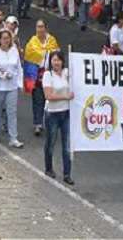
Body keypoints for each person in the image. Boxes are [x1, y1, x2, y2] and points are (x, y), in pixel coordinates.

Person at [42, 51, 74, 185]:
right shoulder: (47, 75)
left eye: (58, 60)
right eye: (54, 60)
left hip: (66, 113)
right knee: (51, 143)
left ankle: (67, 174)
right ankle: (48, 168)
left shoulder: (67, 73)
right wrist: (66, 97)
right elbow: (48, 96)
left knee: (67, 145)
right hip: (52, 113)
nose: (56, 63)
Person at [0, 29, 24, 147]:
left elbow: (19, 68)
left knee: (12, 112)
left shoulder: (14, 50)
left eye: (8, 38)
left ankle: (13, 138)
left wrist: (20, 84)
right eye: (3, 38)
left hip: (12, 86)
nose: (6, 40)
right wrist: (2, 75)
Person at [25, 20, 60, 136]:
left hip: (50, 74)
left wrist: (47, 54)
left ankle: (51, 124)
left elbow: (56, 54)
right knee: (38, 99)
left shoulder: (52, 40)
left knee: (50, 100)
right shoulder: (32, 41)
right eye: (37, 27)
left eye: (41, 27)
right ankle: (38, 124)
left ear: (46, 28)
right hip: (37, 74)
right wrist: (46, 54)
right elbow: (29, 55)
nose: (39, 29)